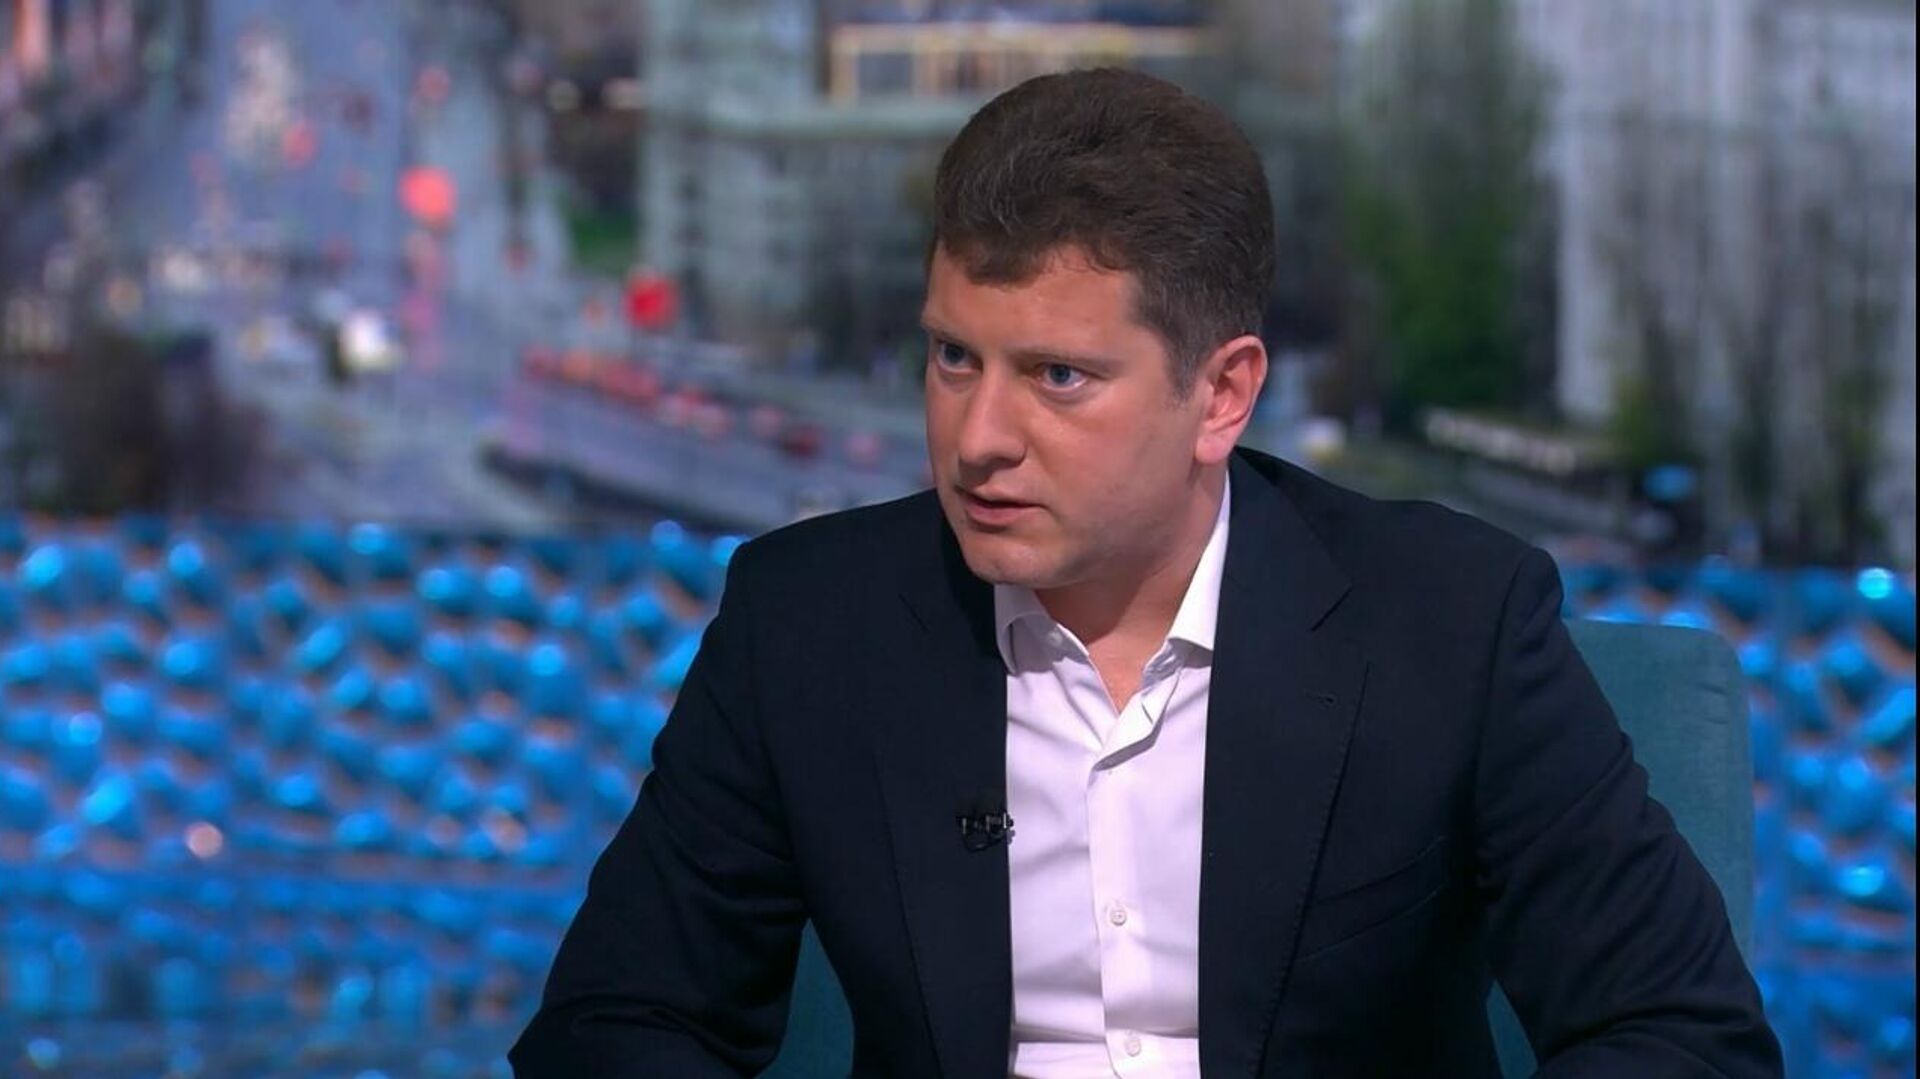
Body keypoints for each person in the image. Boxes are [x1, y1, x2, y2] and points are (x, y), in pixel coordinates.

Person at [511, 68, 1782, 1077]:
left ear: (1221, 393)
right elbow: (616, 1023)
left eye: (1058, 376)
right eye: (954, 358)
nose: (979, 436)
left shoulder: (1449, 624)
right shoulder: (807, 624)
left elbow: (1681, 1033)